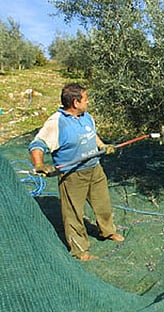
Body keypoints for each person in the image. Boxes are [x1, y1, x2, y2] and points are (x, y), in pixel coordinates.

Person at [29, 83, 124, 261]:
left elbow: (91, 134)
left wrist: (102, 146)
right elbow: (37, 144)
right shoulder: (57, 122)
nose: (88, 102)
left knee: (103, 204)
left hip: (95, 169)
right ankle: (80, 251)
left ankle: (108, 231)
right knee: (73, 214)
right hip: (72, 175)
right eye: (85, 99)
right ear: (75, 102)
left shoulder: (86, 116)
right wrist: (40, 164)